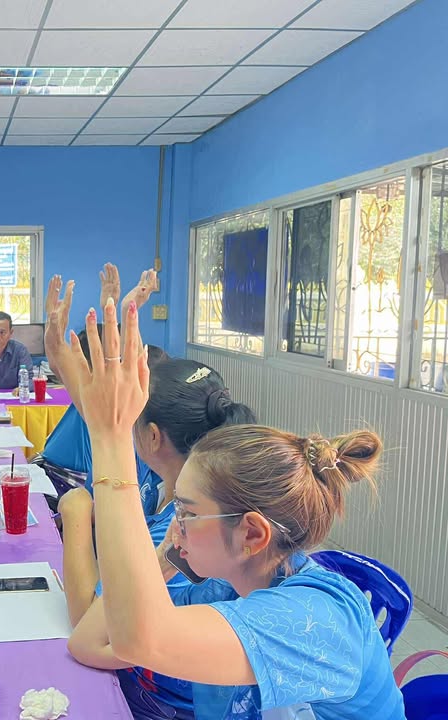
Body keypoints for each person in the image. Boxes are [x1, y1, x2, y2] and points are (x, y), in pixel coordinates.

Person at [46, 266, 406, 719]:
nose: (173, 525)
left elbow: (139, 639)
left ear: (251, 534)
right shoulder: (227, 582)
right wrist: (167, 557)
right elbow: (88, 640)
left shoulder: (310, 620)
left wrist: (110, 436)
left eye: (186, 512)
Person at [58, 356, 256, 718]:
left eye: (131, 421)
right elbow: (104, 426)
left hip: (164, 703)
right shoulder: (164, 480)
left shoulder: (188, 531)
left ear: (152, 436)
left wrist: (75, 516)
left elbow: (89, 624)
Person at [39, 266, 160, 501]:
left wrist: (122, 309)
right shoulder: (96, 398)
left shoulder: (110, 410)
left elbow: (120, 360)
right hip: (52, 475)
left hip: (66, 484)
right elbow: (57, 360)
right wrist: (115, 307)